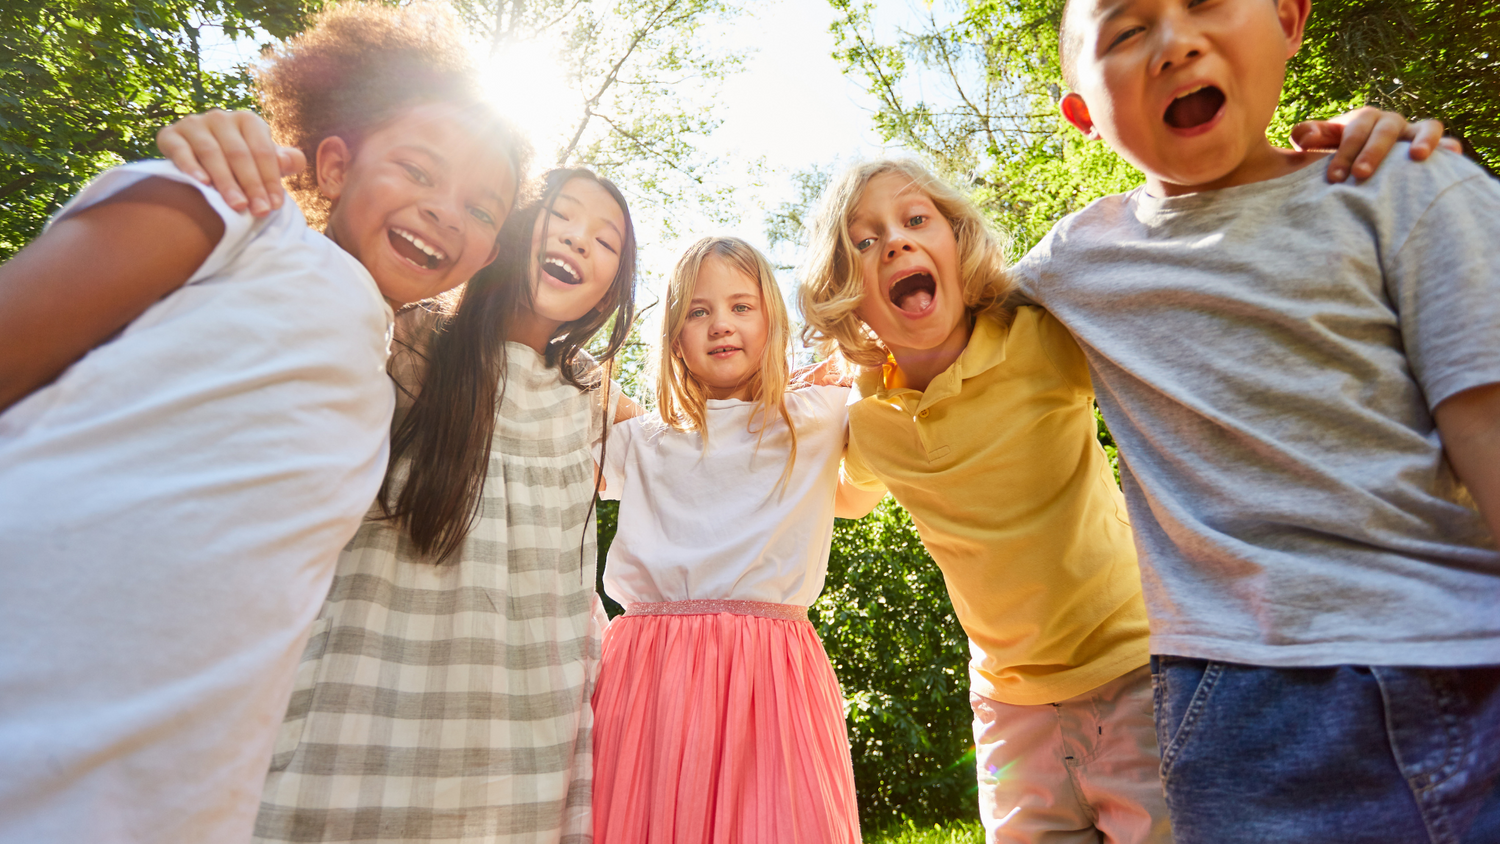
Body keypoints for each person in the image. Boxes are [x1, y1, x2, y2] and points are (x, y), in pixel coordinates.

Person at [798, 123, 1462, 843]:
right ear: (848, 298)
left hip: (1134, 668)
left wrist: (1326, 168)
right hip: (1009, 707)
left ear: (956, 245)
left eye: (915, 219)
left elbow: (1181, 278)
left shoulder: (1041, 337)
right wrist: (796, 419)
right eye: (864, 242)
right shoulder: (873, 426)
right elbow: (848, 497)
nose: (894, 241)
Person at [0, 3, 526, 841]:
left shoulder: (386, 380)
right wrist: (219, 153)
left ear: (487, 255)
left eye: (481, 207)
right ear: (332, 164)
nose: (443, 211)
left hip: (167, 794)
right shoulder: (242, 218)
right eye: (418, 170)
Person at [1000, 0, 1500, 840]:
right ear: (1081, 112)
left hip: (1460, 660)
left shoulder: (1410, 181)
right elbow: (945, 321)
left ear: (1290, 18)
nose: (1176, 43)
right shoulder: (1075, 261)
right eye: (1126, 32)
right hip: (1235, 705)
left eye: (1205, 3)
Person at [592, 236, 882, 844]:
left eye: (741, 307)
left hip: (770, 674)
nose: (721, 325)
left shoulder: (816, 417)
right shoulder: (642, 439)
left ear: (773, 320)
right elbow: (562, 398)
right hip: (652, 676)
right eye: (698, 311)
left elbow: (883, 365)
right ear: (674, 335)